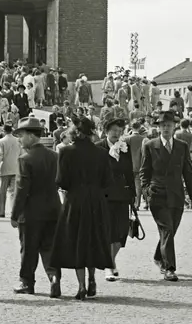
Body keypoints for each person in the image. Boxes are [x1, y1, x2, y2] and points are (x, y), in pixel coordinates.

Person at [50, 116, 113, 299]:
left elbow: (61, 180)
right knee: (92, 240)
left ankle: (81, 286)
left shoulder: (66, 152)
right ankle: (92, 278)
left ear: (74, 133)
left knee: (77, 240)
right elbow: (108, 180)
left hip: (75, 199)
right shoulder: (101, 152)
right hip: (96, 200)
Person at [138, 109, 192, 282]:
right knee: (166, 229)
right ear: (158, 127)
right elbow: (144, 172)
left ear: (174, 127)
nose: (165, 128)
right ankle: (169, 268)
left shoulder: (182, 146)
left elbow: (188, 172)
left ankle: (159, 256)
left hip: (177, 195)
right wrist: (146, 191)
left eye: (169, 125)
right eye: (163, 125)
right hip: (157, 195)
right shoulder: (150, 145)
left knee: (171, 230)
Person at [11, 117, 62, 297]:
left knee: (29, 249)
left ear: (31, 136)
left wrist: (14, 214)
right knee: (49, 248)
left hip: (31, 212)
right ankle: (54, 277)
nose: (19, 139)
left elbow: (21, 189)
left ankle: (27, 282)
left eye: (21, 135)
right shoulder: (55, 156)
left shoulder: (25, 159)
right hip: (54, 209)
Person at [101, 108, 136, 282]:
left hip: (122, 195)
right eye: (113, 131)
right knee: (108, 232)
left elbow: (129, 171)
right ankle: (109, 265)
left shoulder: (124, 148)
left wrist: (134, 194)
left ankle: (111, 261)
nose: (116, 134)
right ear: (106, 131)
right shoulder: (99, 147)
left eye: (119, 131)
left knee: (121, 232)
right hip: (105, 196)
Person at [0, 124, 21, 219]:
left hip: (4, 168)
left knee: (2, 192)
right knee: (13, 192)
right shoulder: (18, 141)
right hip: (15, 168)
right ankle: (14, 211)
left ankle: (1, 211)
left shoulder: (1, 141)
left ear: (4, 131)